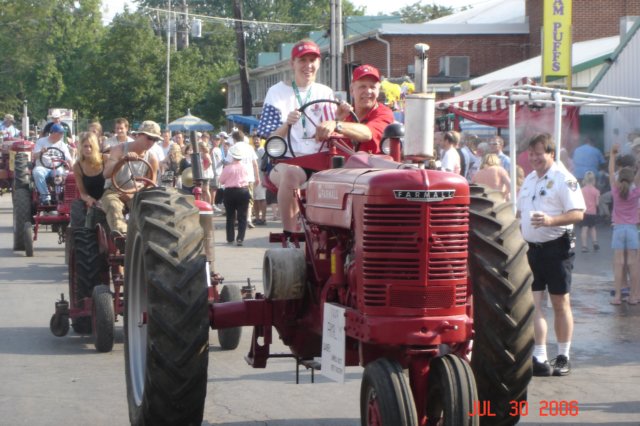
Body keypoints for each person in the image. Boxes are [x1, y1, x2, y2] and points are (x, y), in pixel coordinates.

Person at [516, 133, 585, 377]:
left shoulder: (563, 179)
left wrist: (551, 220)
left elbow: (578, 213)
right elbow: (518, 213)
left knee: (560, 302)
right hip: (532, 250)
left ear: (551, 154)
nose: (534, 158)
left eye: (539, 153)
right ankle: (540, 355)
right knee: (534, 303)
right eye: (531, 153)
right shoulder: (530, 180)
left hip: (557, 248)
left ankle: (564, 355)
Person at [256, 39, 334, 238]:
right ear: (292, 63)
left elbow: (332, 132)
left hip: (320, 161)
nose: (308, 65)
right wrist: (287, 124)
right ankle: (290, 235)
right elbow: (268, 136)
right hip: (286, 160)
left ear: (318, 63)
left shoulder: (325, 92)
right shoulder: (277, 93)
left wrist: (335, 122)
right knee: (291, 173)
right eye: (303, 60)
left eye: (312, 60)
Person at [314, 64, 394, 154]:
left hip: (373, 166)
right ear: (352, 90)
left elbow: (367, 134)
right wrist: (339, 118)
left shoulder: (383, 113)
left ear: (378, 91)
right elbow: (329, 146)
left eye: (372, 87)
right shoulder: (346, 115)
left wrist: (337, 125)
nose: (368, 91)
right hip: (343, 166)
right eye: (362, 86)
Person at [101, 120, 160, 239]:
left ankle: (148, 239)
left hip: (136, 194)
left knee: (151, 209)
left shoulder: (152, 158)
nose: (151, 142)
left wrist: (133, 192)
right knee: (113, 205)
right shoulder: (119, 149)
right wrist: (122, 160)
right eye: (149, 137)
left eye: (155, 139)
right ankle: (123, 238)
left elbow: (151, 184)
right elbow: (106, 174)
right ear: (138, 135)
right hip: (114, 191)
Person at [607, 144, 640, 305]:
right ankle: (634, 296)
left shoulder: (615, 190)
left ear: (620, 178)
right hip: (632, 229)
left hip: (618, 229)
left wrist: (613, 155)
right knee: (633, 264)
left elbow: (611, 172)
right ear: (633, 178)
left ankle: (618, 296)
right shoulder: (636, 191)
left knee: (619, 263)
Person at [71, 132, 106, 226]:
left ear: (95, 147)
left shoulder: (105, 159)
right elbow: (82, 193)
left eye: (91, 146)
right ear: (80, 147)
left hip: (108, 197)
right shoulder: (77, 166)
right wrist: (89, 199)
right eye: (85, 146)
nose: (88, 149)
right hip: (91, 202)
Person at [219, 144, 251, 246]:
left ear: (232, 156)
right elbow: (248, 179)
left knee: (230, 216)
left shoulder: (228, 168)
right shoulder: (245, 167)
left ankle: (230, 238)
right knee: (242, 216)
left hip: (230, 192)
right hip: (243, 191)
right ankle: (240, 238)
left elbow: (222, 181)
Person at [32, 123, 72, 205]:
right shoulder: (41, 141)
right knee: (37, 173)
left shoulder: (62, 145)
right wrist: (41, 152)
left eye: (62, 133)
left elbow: (68, 159)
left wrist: (72, 168)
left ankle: (59, 196)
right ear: (53, 133)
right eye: (60, 133)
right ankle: (46, 198)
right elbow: (35, 156)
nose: (62, 135)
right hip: (42, 167)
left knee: (61, 173)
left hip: (56, 167)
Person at [579, 171, 600, 253]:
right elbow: (597, 203)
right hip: (592, 212)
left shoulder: (581, 190)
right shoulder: (596, 191)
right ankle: (595, 242)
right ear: (594, 180)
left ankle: (584, 246)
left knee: (584, 229)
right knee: (592, 228)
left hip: (584, 212)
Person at [251, 133, 267, 224]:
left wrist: (264, 178)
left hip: (261, 178)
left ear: (260, 141)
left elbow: (265, 166)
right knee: (255, 199)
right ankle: (257, 218)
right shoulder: (252, 150)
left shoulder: (263, 151)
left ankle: (263, 218)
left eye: (257, 140)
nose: (256, 141)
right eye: (255, 139)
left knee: (262, 198)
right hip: (252, 178)